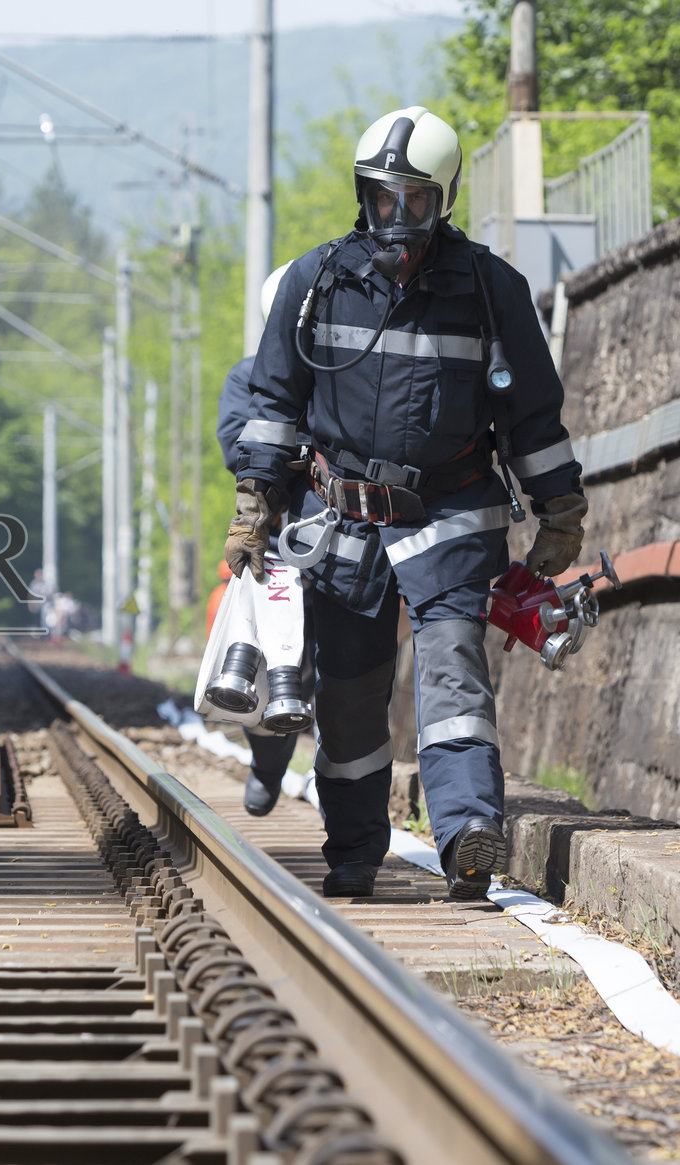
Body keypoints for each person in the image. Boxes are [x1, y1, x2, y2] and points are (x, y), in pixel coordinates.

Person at [228, 107, 586, 900]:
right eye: (382, 197)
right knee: (350, 696)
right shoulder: (311, 282)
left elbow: (532, 414)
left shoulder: (491, 290)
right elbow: (272, 404)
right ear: (362, 194)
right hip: (342, 519)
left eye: (414, 201)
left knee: (454, 668)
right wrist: (255, 502)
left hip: (450, 514)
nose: (395, 217)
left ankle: (468, 835)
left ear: (444, 199)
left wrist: (560, 509)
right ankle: (354, 849)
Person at [215, 262, 310, 818]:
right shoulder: (246, 376)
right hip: (270, 537)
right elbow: (236, 446)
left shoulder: (339, 371)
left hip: (337, 532)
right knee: (268, 657)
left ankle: (327, 784)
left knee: (321, 664)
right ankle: (268, 764)